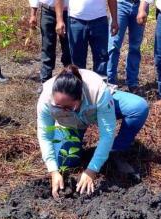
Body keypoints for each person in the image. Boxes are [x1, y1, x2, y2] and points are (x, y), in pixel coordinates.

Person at [37, 65, 149, 198]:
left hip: (97, 110)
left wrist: (91, 170)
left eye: (68, 107)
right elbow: (45, 135)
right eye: (58, 106)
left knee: (138, 107)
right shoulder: (46, 100)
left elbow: (107, 133)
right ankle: (91, 150)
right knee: (65, 162)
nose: (62, 109)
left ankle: (115, 150)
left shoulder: (97, 91)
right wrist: (53, 171)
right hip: (70, 124)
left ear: (79, 99)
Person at [55, 0, 119, 76]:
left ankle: (100, 85)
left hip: (99, 20)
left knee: (102, 59)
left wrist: (114, 19)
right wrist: (59, 20)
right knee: (77, 61)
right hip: (76, 20)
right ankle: (80, 86)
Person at [29, 0, 71, 94]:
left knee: (68, 49)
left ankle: (70, 81)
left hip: (68, 12)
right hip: (47, 11)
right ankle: (45, 82)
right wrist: (33, 14)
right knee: (47, 48)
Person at [107, 0, 145, 94]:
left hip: (139, 5)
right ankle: (110, 81)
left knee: (135, 47)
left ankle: (133, 83)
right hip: (120, 4)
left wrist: (143, 8)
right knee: (113, 45)